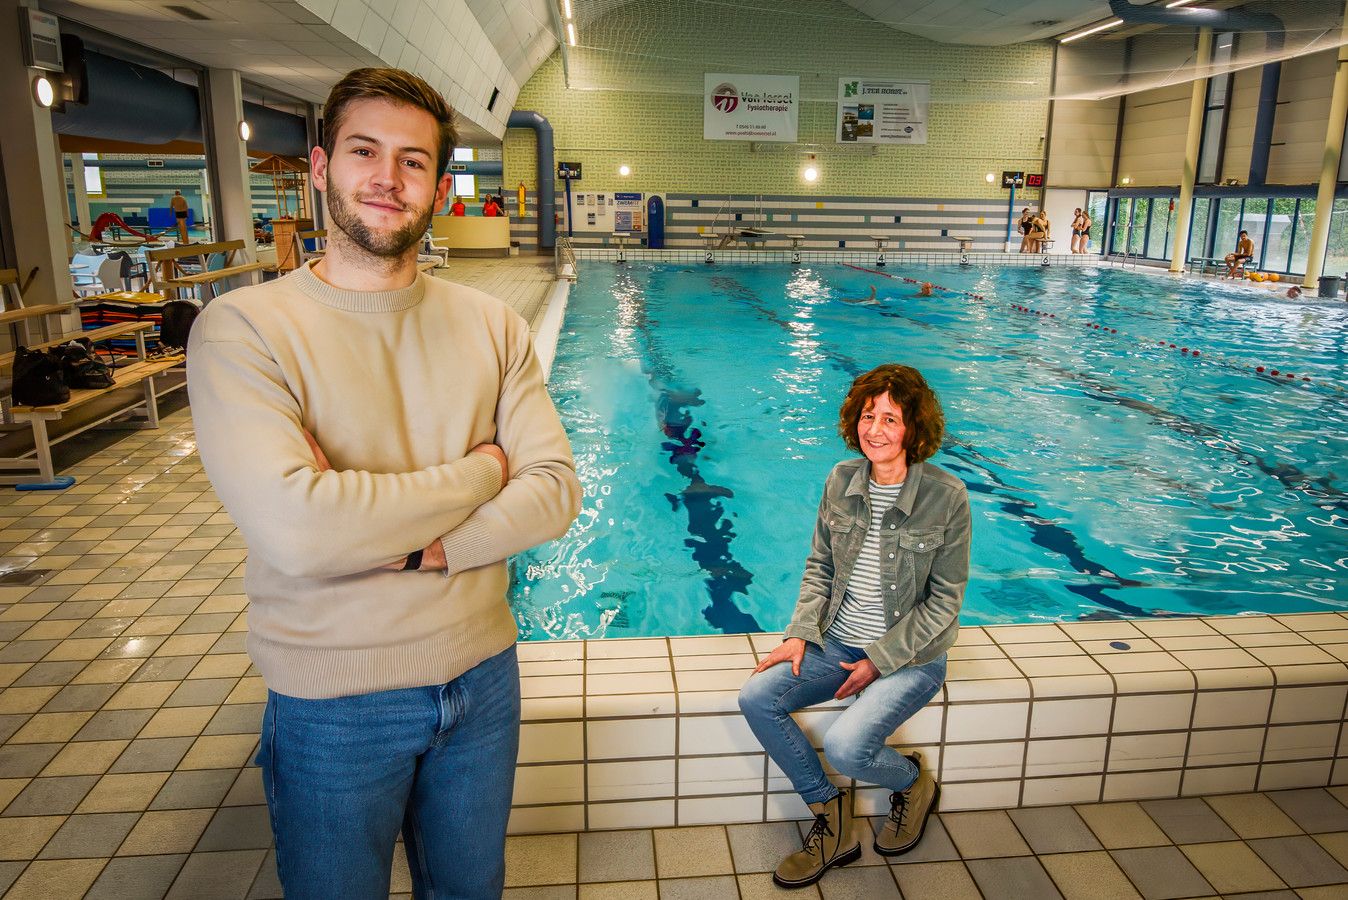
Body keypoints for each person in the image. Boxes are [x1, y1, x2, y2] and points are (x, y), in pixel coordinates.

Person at [186, 67, 582, 900]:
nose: (387, 179)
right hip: (333, 702)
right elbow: (301, 530)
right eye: (366, 151)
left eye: (412, 161)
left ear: (439, 186)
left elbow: (552, 490)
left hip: (483, 678)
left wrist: (423, 548)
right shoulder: (246, 329)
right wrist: (482, 472)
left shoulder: (491, 324)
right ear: (321, 167)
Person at [738, 364, 971, 890]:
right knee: (756, 698)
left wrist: (879, 661)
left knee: (846, 747)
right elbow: (820, 565)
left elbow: (944, 604)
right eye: (869, 415)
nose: (876, 429)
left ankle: (912, 784)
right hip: (837, 640)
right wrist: (799, 633)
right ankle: (831, 815)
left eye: (892, 417)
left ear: (913, 427)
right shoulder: (841, 479)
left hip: (913, 656)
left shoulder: (947, 496)